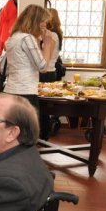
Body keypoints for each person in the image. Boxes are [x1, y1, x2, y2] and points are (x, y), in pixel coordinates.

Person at [2, 4, 55, 111]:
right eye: (43, 21)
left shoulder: (14, 36)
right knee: (29, 122)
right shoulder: (27, 38)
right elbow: (43, 67)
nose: (45, 24)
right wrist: (48, 44)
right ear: (35, 21)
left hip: (11, 89)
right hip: (25, 92)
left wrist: (38, 42)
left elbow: (27, 61)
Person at [39, 8, 63, 140]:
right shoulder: (56, 33)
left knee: (42, 107)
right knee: (42, 107)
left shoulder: (52, 35)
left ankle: (44, 134)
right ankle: (43, 133)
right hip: (50, 71)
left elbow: (46, 55)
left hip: (46, 72)